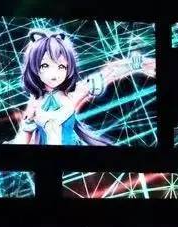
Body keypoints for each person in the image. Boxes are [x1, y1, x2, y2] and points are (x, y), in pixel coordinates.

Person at [8, 30, 156, 145]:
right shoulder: (35, 102)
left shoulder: (72, 94)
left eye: (61, 66)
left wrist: (136, 64)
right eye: (45, 65)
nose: (54, 73)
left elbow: (108, 74)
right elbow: (24, 139)